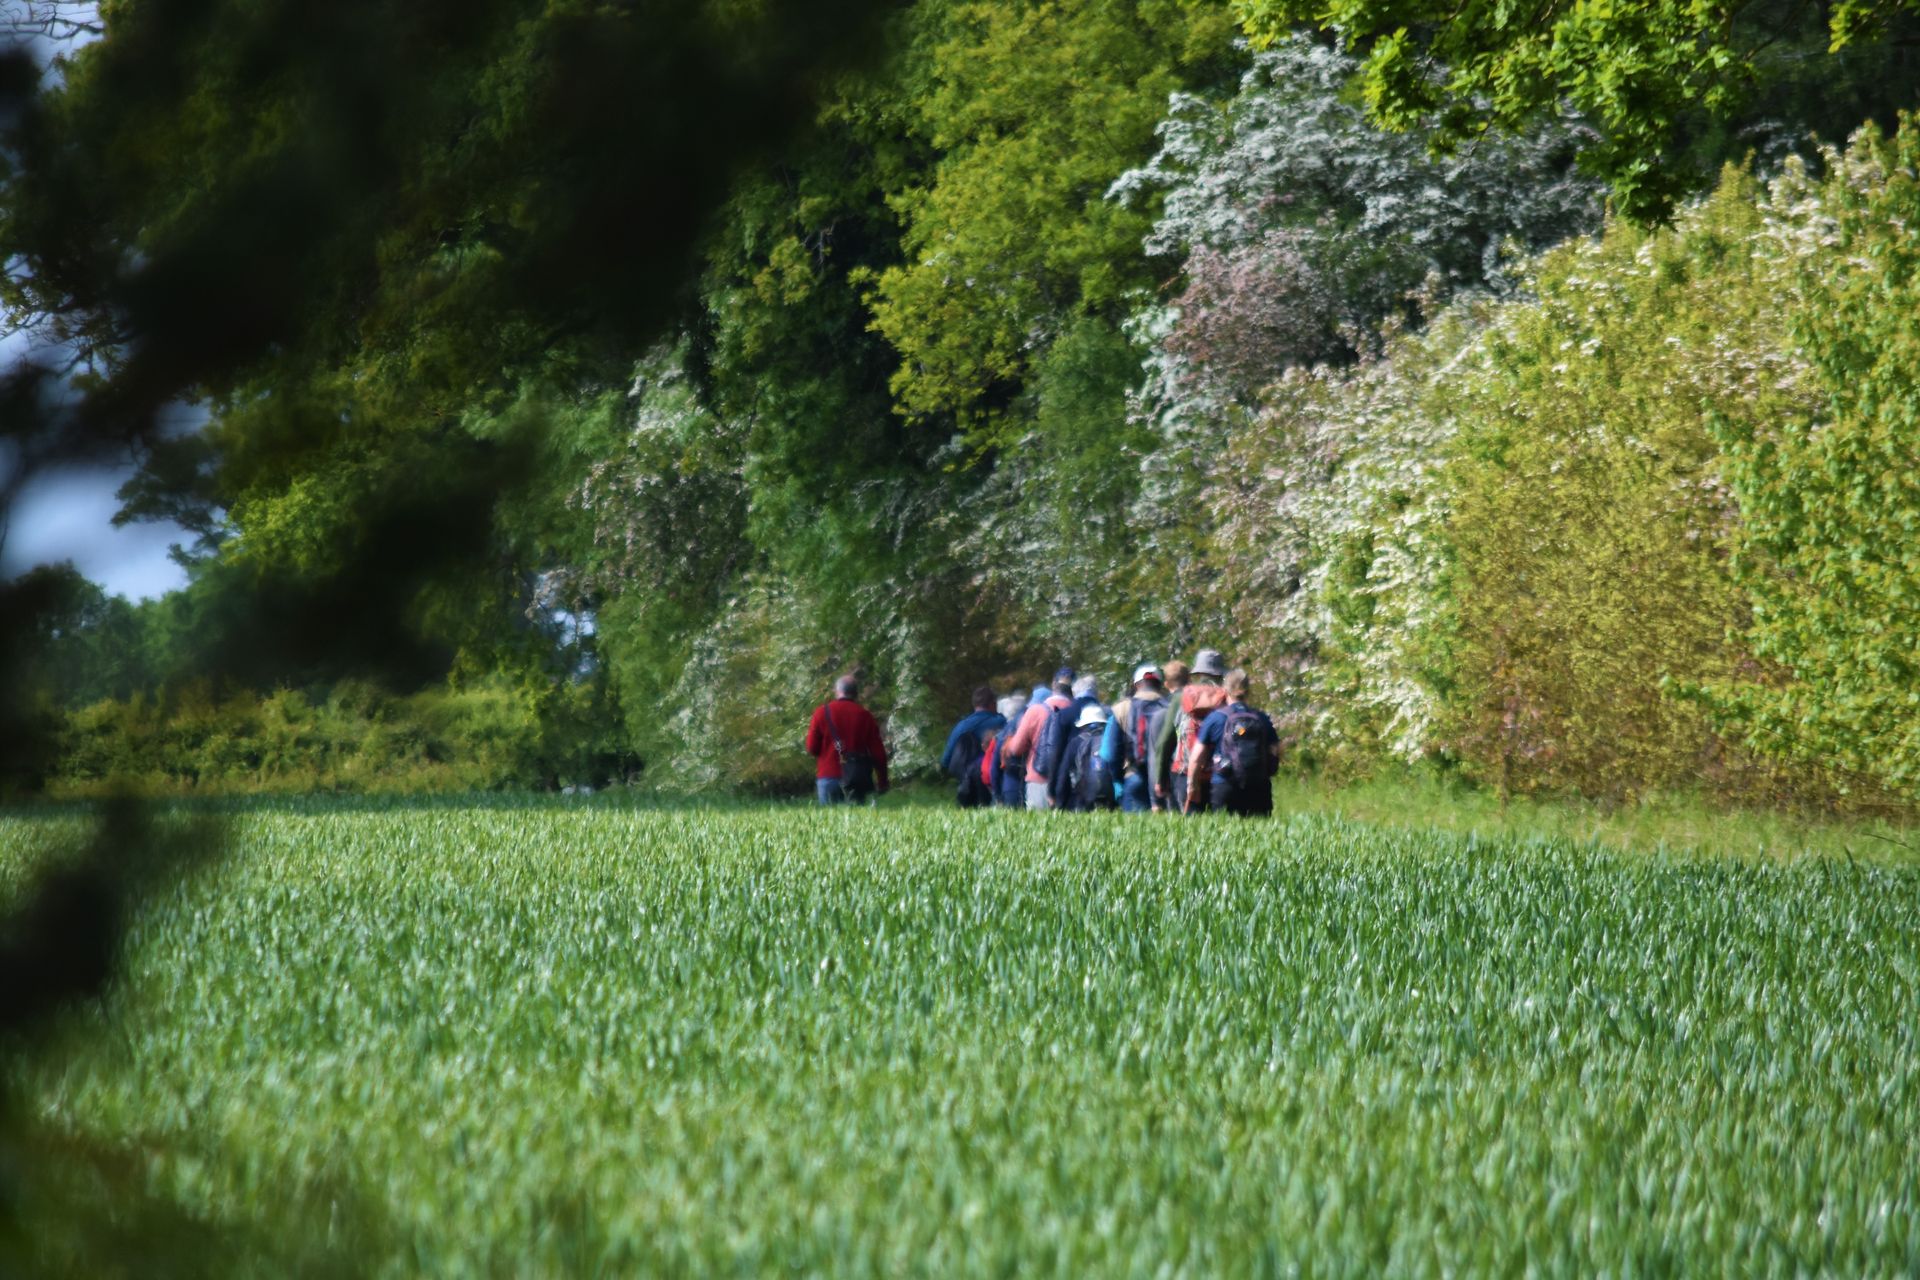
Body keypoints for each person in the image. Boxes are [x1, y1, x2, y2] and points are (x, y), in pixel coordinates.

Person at [1189, 668, 1281, 816]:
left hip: (1224, 785)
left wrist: (1192, 786)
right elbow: (1277, 749)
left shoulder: (1215, 718)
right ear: (1248, 691)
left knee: (1225, 833)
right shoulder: (1262, 718)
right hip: (1259, 787)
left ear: (1225, 690)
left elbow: (1196, 757)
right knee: (1260, 834)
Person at [1158, 648, 1228, 814]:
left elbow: (1166, 740)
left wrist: (1161, 778)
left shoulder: (1181, 697)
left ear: (1196, 673)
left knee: (1191, 831)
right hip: (1220, 774)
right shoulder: (1227, 697)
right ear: (1221, 674)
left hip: (1184, 771)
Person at [804, 674, 889, 804]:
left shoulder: (821, 713)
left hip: (829, 777)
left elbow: (812, 748)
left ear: (837, 691)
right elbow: (878, 754)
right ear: (856, 693)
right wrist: (882, 781)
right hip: (857, 778)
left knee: (828, 822)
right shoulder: (865, 716)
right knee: (855, 822)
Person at [1002, 669, 1076, 811]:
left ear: (1053, 685)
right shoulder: (1078, 710)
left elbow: (1016, 749)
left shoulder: (1035, 711)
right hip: (1069, 781)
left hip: (1038, 779)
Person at [1104, 663, 1170, 812]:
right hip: (1165, 782)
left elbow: (1111, 753)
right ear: (1160, 684)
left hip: (1134, 775)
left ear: (1136, 685)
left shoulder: (1121, 708)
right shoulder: (1171, 707)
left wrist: (1117, 780)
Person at [940, 686, 1006, 809]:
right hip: (992, 783)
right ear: (992, 704)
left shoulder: (961, 726)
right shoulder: (1000, 722)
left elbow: (946, 760)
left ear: (975, 704)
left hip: (966, 784)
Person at [1051, 702, 1117, 812]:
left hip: (1082, 798)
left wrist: (1060, 803)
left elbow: (1063, 774)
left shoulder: (1075, 742)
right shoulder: (1110, 741)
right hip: (1110, 797)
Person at [987, 691, 1031, 807]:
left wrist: (997, 794)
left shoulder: (1002, 736)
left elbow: (994, 770)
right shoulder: (1030, 731)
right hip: (1029, 784)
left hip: (1010, 785)